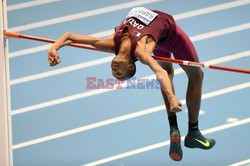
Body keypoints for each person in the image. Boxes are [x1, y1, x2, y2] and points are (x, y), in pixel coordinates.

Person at [48, 7, 215, 161]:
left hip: (158, 34)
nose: (114, 71)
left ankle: (175, 128)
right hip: (171, 36)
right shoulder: (141, 52)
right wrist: (172, 97)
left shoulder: (111, 44)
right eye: (119, 73)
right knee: (196, 75)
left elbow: (69, 36)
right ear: (130, 65)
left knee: (170, 73)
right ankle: (192, 132)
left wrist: (54, 48)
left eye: (115, 73)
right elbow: (159, 72)